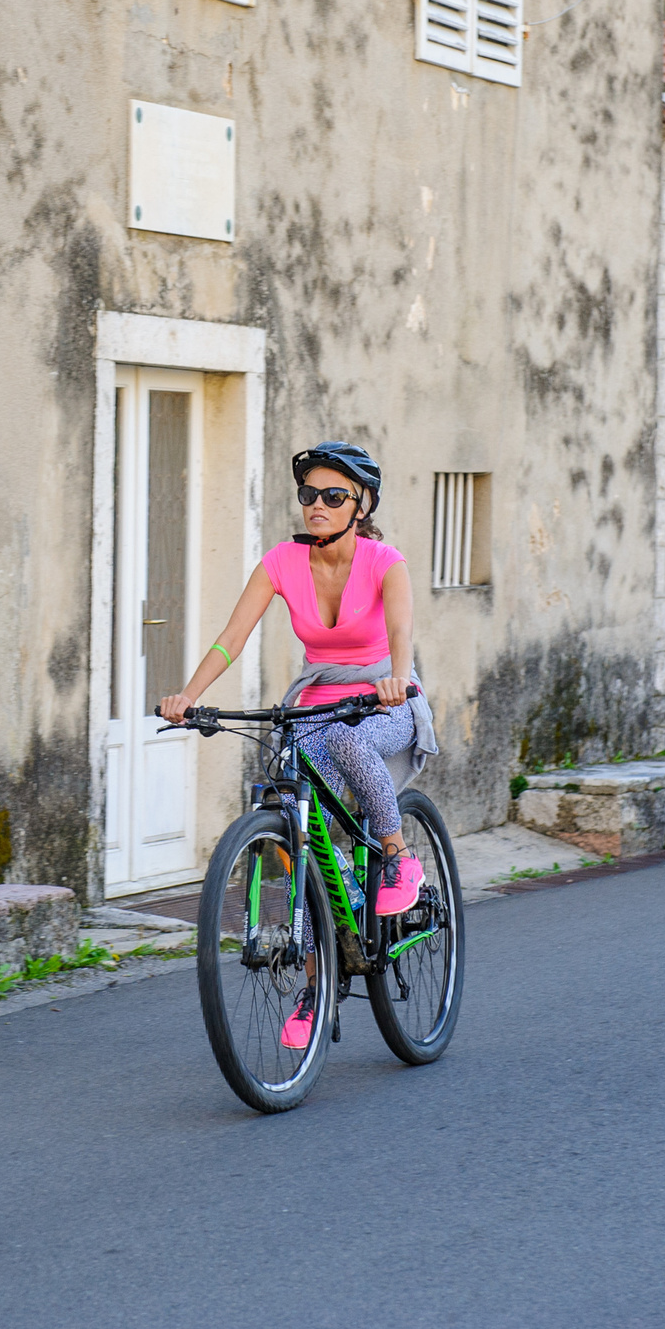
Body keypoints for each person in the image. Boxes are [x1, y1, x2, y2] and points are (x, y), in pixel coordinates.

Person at [159, 441, 438, 1050]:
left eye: (332, 496)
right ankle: (317, 987)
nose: (316, 505)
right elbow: (232, 638)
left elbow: (401, 636)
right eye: (308, 494)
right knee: (293, 819)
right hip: (316, 703)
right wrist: (188, 694)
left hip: (383, 702)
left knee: (347, 745)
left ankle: (396, 856)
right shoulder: (282, 563)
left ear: (360, 505)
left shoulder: (387, 562)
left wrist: (396, 676)